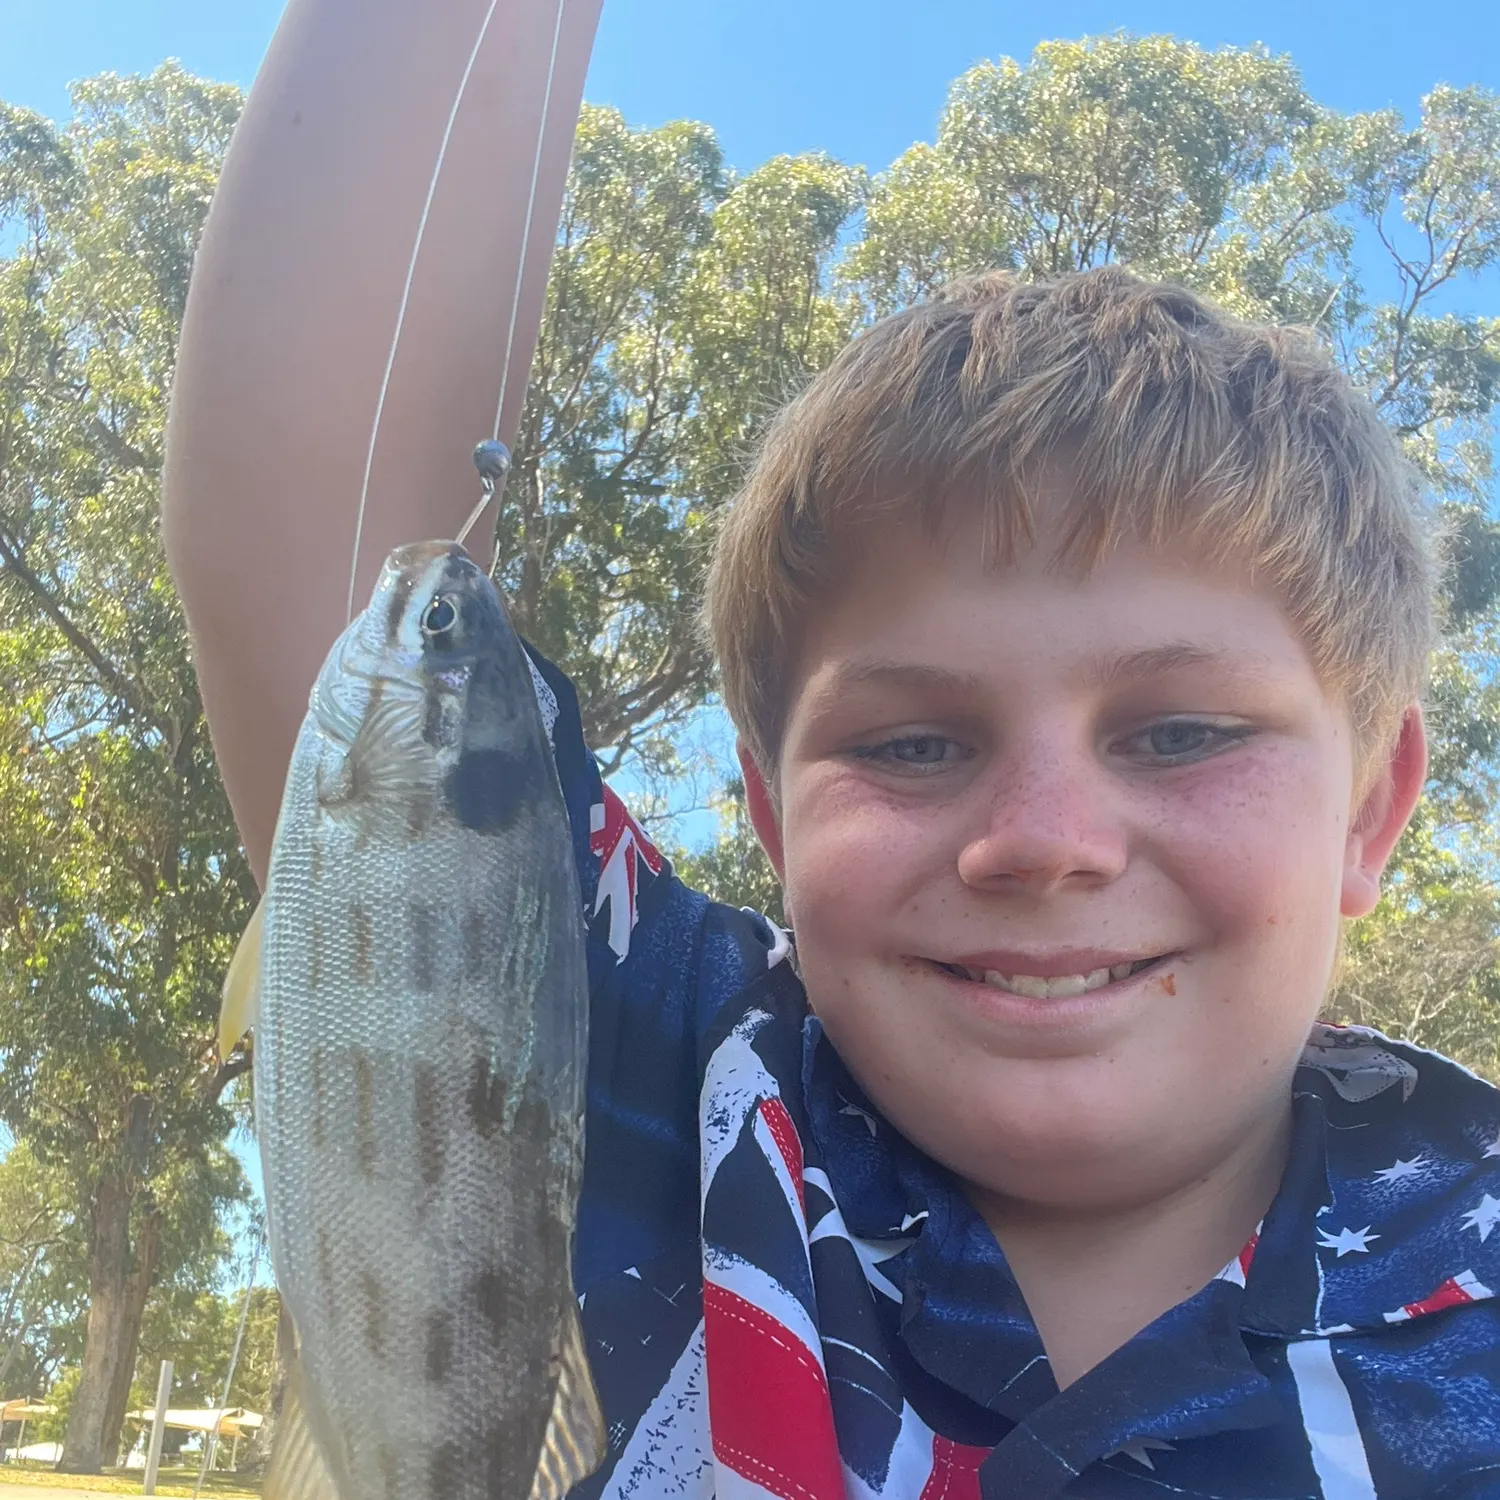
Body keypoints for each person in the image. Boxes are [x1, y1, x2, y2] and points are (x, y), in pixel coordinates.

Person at [163, 1, 1500, 1495]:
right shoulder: (681, 1066)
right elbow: (306, 521)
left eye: (1181, 731)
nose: (1044, 836)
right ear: (775, 821)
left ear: (1374, 810)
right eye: (917, 743)